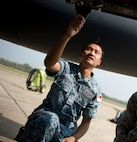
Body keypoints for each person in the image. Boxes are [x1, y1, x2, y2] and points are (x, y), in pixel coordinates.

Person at [15, 14, 104, 142]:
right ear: (81, 54)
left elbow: (86, 121)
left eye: (96, 52)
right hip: (44, 119)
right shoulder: (66, 68)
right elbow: (50, 63)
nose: (91, 53)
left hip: (65, 133)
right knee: (51, 120)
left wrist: (73, 138)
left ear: (99, 62)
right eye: (88, 49)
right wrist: (67, 35)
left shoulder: (95, 91)